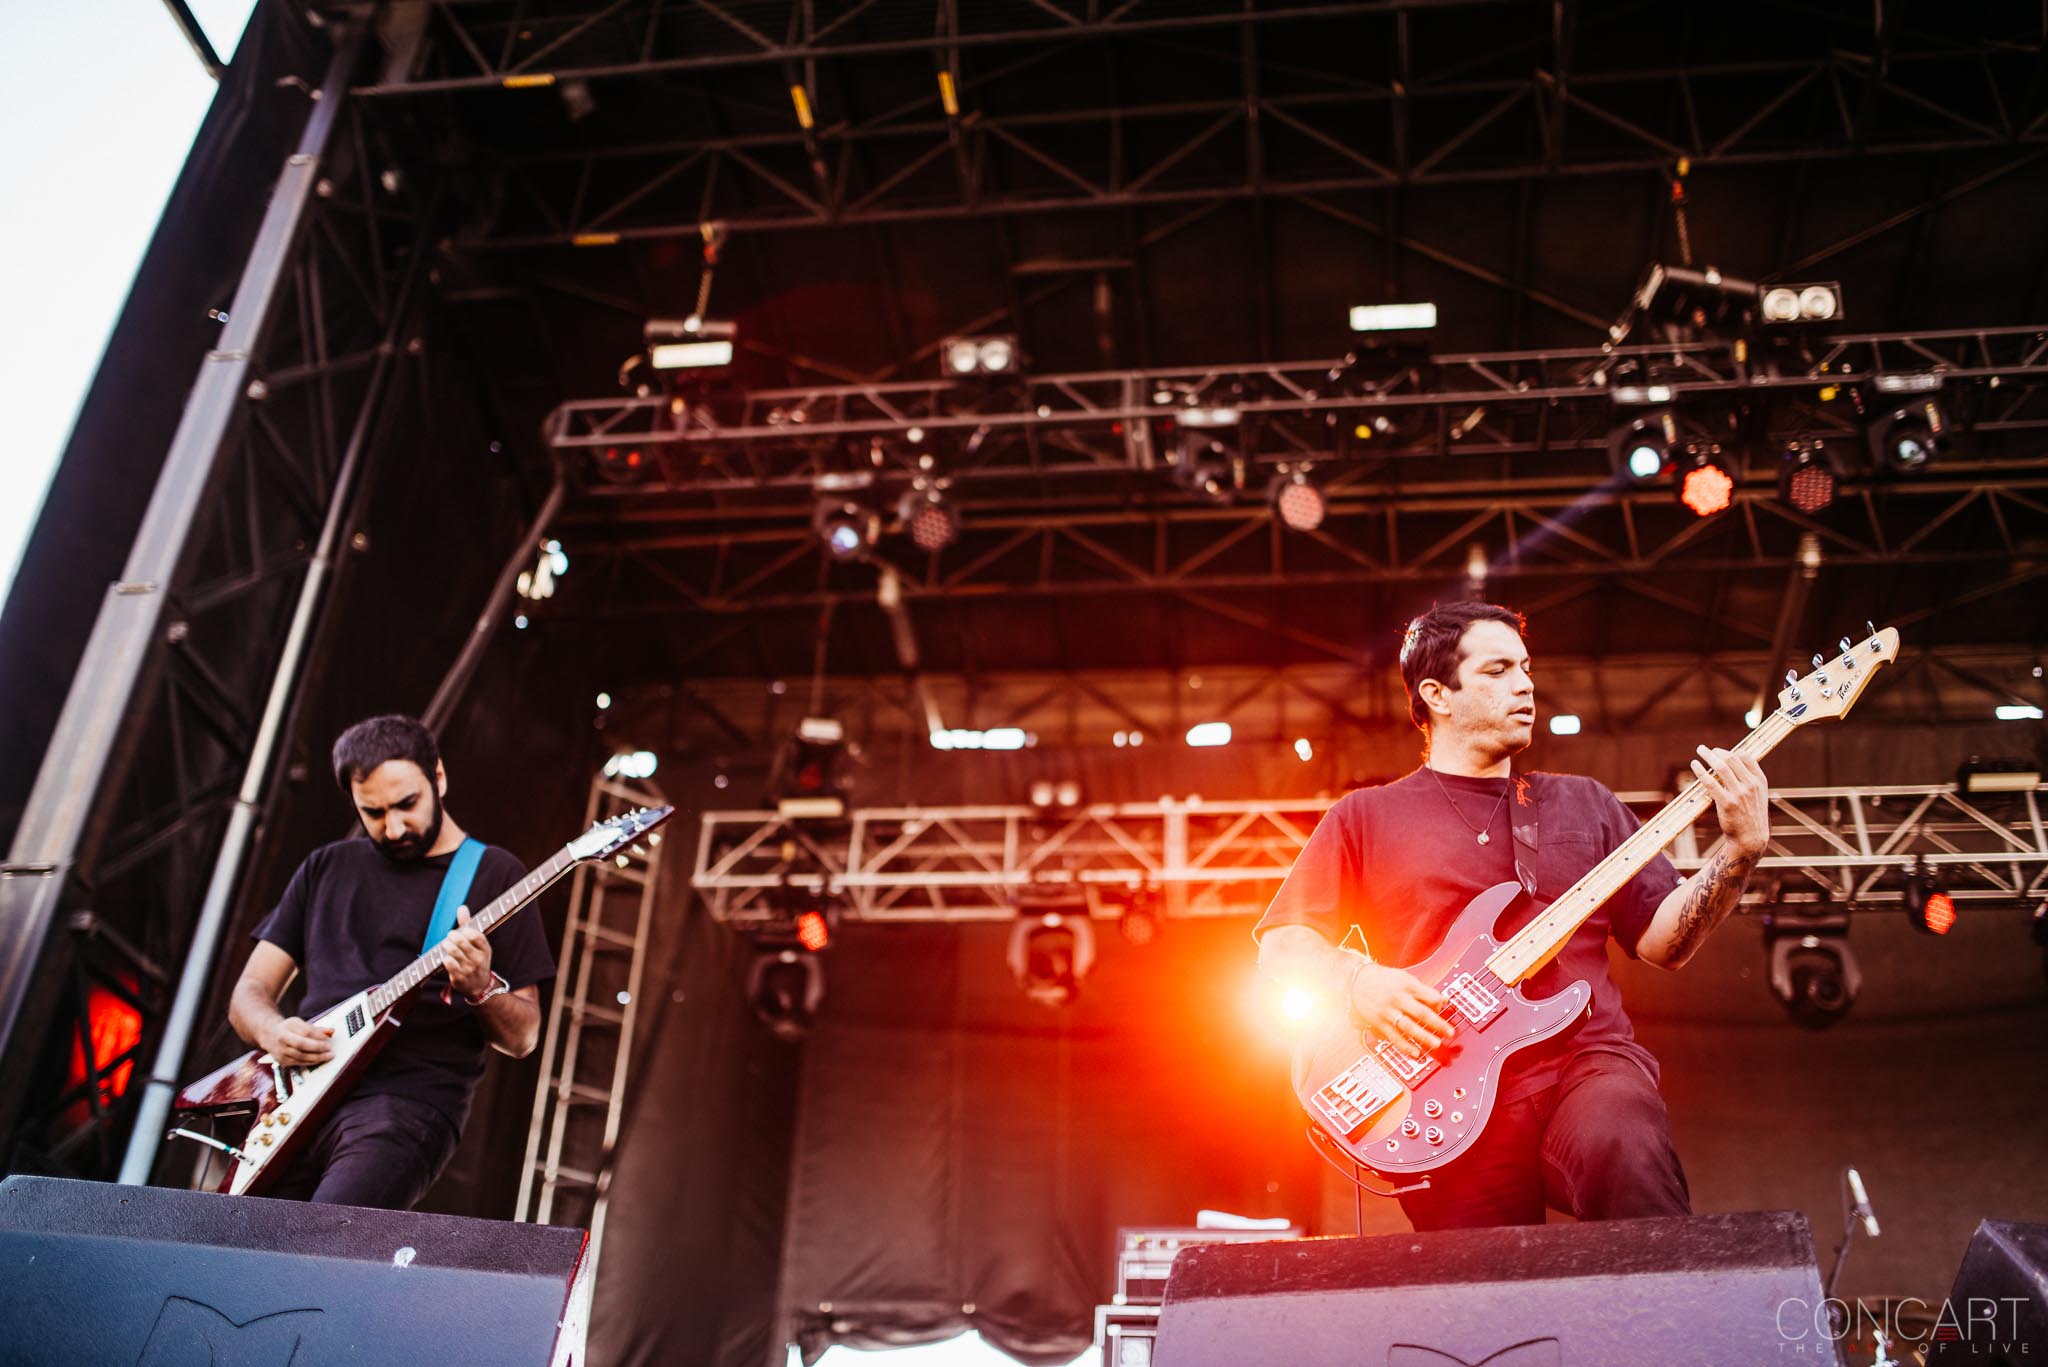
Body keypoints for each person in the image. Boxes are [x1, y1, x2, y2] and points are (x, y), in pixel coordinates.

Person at [1255, 601, 1769, 1231]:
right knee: (1484, 1304)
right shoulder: (1364, 816)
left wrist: (1739, 853)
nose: (1525, 684)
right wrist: (1359, 983)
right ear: (1437, 694)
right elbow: (1282, 948)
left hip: (1583, 1059)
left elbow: (1667, 942)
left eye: (1525, 667)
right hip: (1443, 1084)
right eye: (1497, 670)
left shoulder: (1585, 803)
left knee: (1624, 1143)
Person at [226, 714, 553, 1209]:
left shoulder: (495, 873)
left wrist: (480, 986)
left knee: (322, 1249)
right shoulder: (325, 867)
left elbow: (523, 1036)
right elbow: (249, 994)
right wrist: (273, 1032)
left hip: (406, 1105)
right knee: (228, 1255)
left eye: (407, 805)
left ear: (438, 778)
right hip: (296, 1103)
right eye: (373, 813)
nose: (394, 827)